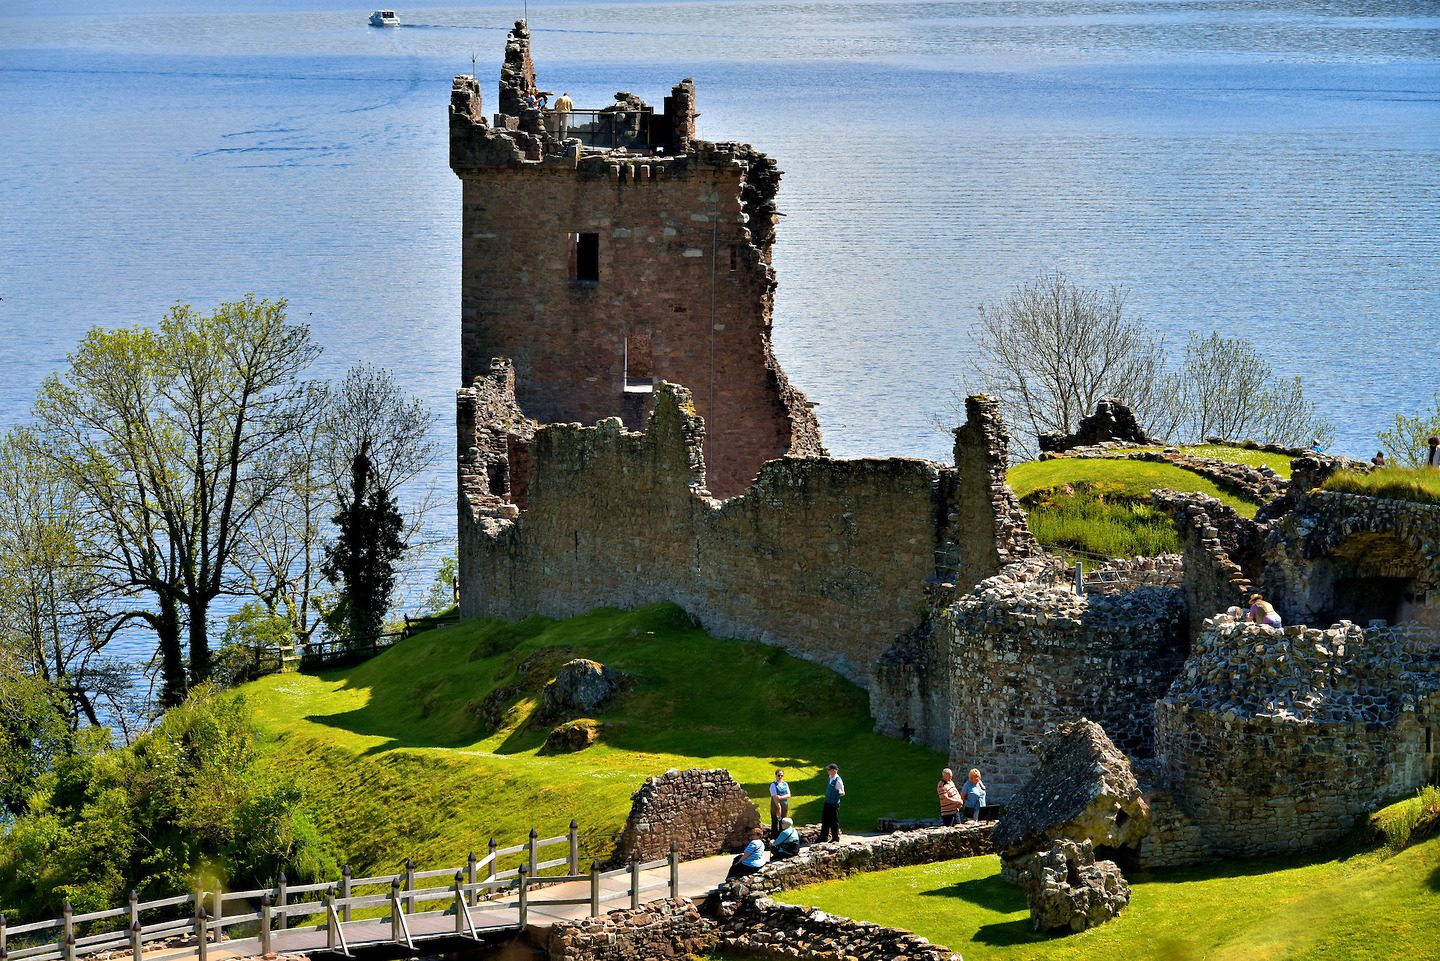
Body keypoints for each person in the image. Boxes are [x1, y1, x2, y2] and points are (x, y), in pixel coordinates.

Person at [819, 763, 845, 842]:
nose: (828, 771)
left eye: (829, 770)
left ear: (834, 771)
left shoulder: (838, 781)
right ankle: (823, 837)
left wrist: (838, 792)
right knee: (825, 819)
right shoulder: (831, 777)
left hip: (834, 803)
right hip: (827, 802)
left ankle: (835, 838)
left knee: (833, 821)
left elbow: (842, 793)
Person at [769, 769, 791, 835]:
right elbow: (775, 797)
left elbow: (789, 795)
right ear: (776, 776)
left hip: (784, 804)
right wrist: (779, 807)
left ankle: (782, 834)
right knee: (775, 820)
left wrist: (781, 797)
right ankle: (774, 835)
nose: (780, 777)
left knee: (783, 820)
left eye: (781, 775)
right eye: (779, 775)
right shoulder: (773, 785)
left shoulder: (785, 784)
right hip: (775, 804)